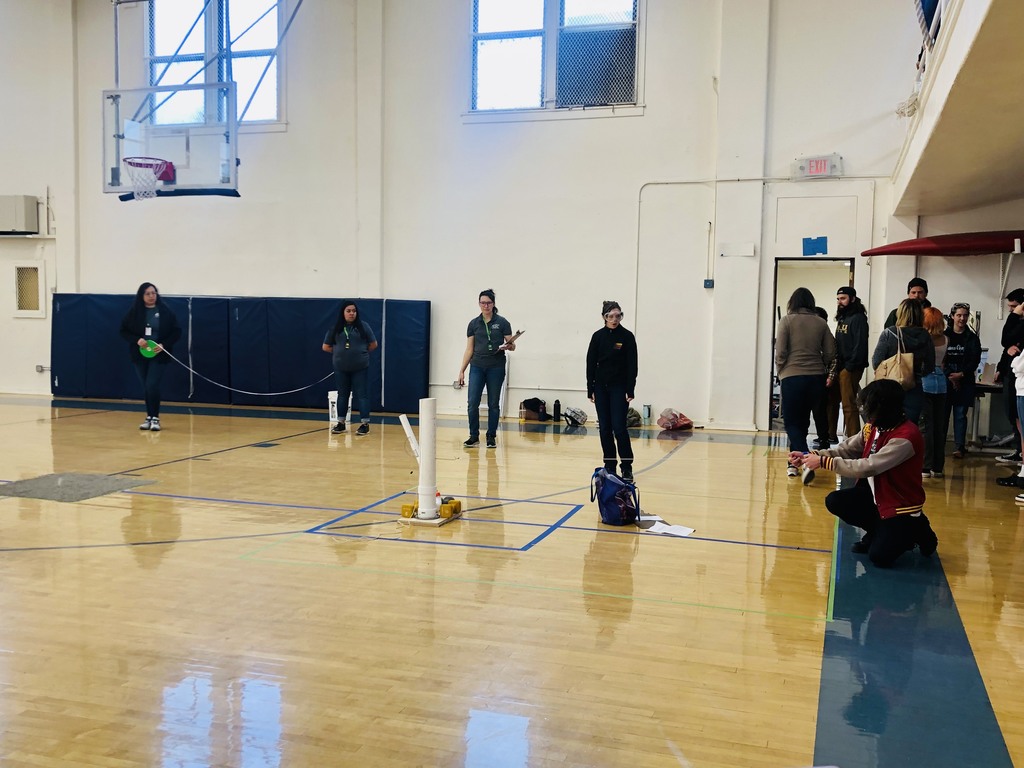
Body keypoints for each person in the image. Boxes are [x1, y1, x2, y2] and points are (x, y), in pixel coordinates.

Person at [790, 379, 938, 568]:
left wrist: (824, 462)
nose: (865, 411)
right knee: (835, 501)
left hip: (900, 505)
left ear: (884, 408)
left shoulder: (906, 437)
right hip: (876, 496)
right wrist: (811, 455)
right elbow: (846, 449)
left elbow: (869, 466)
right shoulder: (873, 428)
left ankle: (917, 529)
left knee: (879, 557)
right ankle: (878, 530)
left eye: (869, 406)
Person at [774, 287, 836, 484]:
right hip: (816, 377)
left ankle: (804, 459)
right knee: (807, 420)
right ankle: (793, 464)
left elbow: (780, 351)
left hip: (792, 376)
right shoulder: (821, 323)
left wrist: (781, 370)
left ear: (792, 302)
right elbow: (830, 353)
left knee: (793, 422)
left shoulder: (786, 321)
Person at [586, 300, 638, 482]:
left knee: (619, 427)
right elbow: (590, 363)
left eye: (618, 316)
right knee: (605, 428)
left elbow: (632, 365)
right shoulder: (597, 337)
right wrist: (590, 388)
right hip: (600, 387)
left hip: (619, 387)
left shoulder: (627, 337)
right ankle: (609, 465)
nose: (614, 319)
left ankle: (627, 467)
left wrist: (630, 389)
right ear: (604, 317)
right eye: (611, 316)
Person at [119, 282, 182, 432]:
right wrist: (137, 340)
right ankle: (149, 417)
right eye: (147, 294)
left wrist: (163, 344)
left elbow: (176, 331)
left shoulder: (165, 311)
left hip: (158, 355)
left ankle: (155, 418)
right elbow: (123, 331)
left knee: (152, 385)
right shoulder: (134, 312)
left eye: (153, 293)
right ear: (142, 296)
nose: (151, 296)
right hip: (140, 355)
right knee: (146, 386)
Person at [458, 289, 516, 449]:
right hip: (477, 366)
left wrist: (510, 346)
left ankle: (491, 436)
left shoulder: (502, 322)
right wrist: (462, 370)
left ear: (493, 304)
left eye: (489, 303)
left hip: (495, 367)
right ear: (479, 304)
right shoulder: (473, 324)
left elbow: (513, 346)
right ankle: (473, 436)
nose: (486, 305)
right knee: (472, 403)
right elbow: (469, 349)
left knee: (493, 403)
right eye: (483, 302)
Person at [871, 298, 934, 424]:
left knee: (888, 426)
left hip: (889, 388)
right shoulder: (925, 336)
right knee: (910, 427)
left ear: (900, 313)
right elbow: (929, 366)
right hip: (915, 387)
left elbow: (876, 362)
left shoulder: (890, 333)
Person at [322, 300, 378, 435]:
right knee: (342, 395)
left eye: (354, 311)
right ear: (343, 313)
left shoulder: (364, 326)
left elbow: (373, 344)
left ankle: (365, 424)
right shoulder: (335, 328)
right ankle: (341, 423)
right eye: (348, 311)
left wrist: (360, 353)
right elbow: (326, 347)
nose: (351, 313)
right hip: (341, 368)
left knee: (362, 395)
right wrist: (340, 355)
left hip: (360, 367)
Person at [829, 286, 868, 441]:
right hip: (839, 365)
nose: (840, 302)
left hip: (851, 367)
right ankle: (830, 435)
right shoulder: (842, 317)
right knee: (832, 402)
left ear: (852, 298)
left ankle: (853, 441)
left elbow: (860, 344)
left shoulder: (858, 318)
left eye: (843, 298)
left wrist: (850, 367)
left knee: (848, 405)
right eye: (838, 299)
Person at [943, 302, 981, 458]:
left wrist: (961, 375)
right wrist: (951, 375)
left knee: (960, 414)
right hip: (945, 380)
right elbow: (939, 358)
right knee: (943, 415)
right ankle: (940, 445)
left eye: (965, 315)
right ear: (952, 316)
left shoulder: (972, 338)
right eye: (959, 315)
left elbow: (975, 359)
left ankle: (959, 447)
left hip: (965, 380)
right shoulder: (944, 335)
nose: (962, 318)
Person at [994, 288, 1024, 464]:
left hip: (1019, 378)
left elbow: (1005, 339)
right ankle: (1019, 450)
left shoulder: (1019, 322)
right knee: (1012, 413)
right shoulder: (1016, 321)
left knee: (1019, 415)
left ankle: (1021, 454)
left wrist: (1014, 317)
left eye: (1014, 307)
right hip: (1010, 373)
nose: (1011, 311)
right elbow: (1006, 347)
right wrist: (999, 366)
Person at [919, 306, 948, 478]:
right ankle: (938, 466)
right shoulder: (946, 339)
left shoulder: (924, 339)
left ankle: (925, 465)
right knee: (939, 426)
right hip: (941, 383)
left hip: (925, 382)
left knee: (925, 426)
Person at [811, 307, 837, 450]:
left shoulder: (828, 338)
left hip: (822, 377)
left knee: (820, 411)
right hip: (808, 376)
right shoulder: (807, 337)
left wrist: (831, 376)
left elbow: (834, 359)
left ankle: (824, 439)